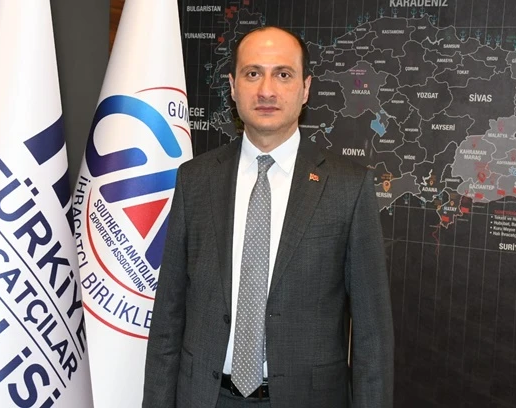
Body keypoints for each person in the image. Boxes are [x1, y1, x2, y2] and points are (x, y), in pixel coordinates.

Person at [143, 26, 394, 408]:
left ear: (305, 88)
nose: (266, 90)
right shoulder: (195, 180)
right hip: (206, 398)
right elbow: (168, 318)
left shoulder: (348, 188)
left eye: (283, 74)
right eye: (252, 73)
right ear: (233, 87)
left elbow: (372, 336)